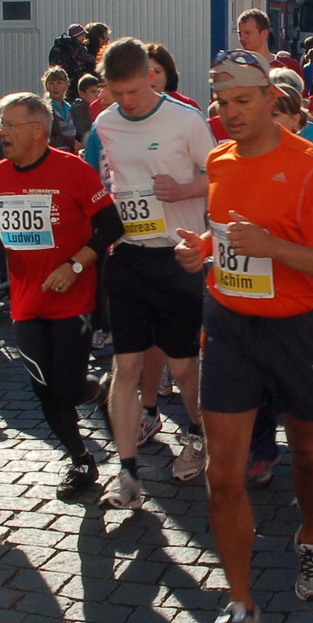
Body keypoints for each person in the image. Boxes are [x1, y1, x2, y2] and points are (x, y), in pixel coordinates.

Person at [174, 50, 313, 623]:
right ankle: (241, 608)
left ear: (271, 100)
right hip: (229, 326)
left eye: (242, 102)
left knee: (309, 453)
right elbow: (231, 236)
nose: (229, 114)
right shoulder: (218, 161)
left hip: (298, 331)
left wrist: (274, 248)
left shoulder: (311, 169)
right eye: (220, 103)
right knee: (223, 474)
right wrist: (203, 248)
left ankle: (310, 534)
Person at [84, 38, 213, 498]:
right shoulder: (105, 122)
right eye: (117, 94)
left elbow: (219, 176)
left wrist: (182, 191)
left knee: (181, 367)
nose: (127, 102)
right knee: (126, 366)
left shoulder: (185, 120)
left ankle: (198, 432)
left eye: (134, 92)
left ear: (150, 77)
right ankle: (127, 471)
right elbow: (106, 181)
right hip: (130, 254)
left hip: (177, 254)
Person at [0, 91, 128, 502]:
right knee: (42, 388)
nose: (1, 133)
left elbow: (110, 227)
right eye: (0, 125)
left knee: (66, 387)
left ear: (36, 130)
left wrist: (75, 265)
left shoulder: (73, 170)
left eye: (9, 125)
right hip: (26, 302)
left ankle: (98, 391)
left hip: (73, 300)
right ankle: (81, 459)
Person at [41, 66, 80, 152]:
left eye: (59, 83)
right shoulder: (44, 110)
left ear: (66, 85)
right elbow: (46, 136)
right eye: (51, 83)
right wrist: (71, 142)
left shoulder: (70, 108)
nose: (55, 87)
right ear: (46, 86)